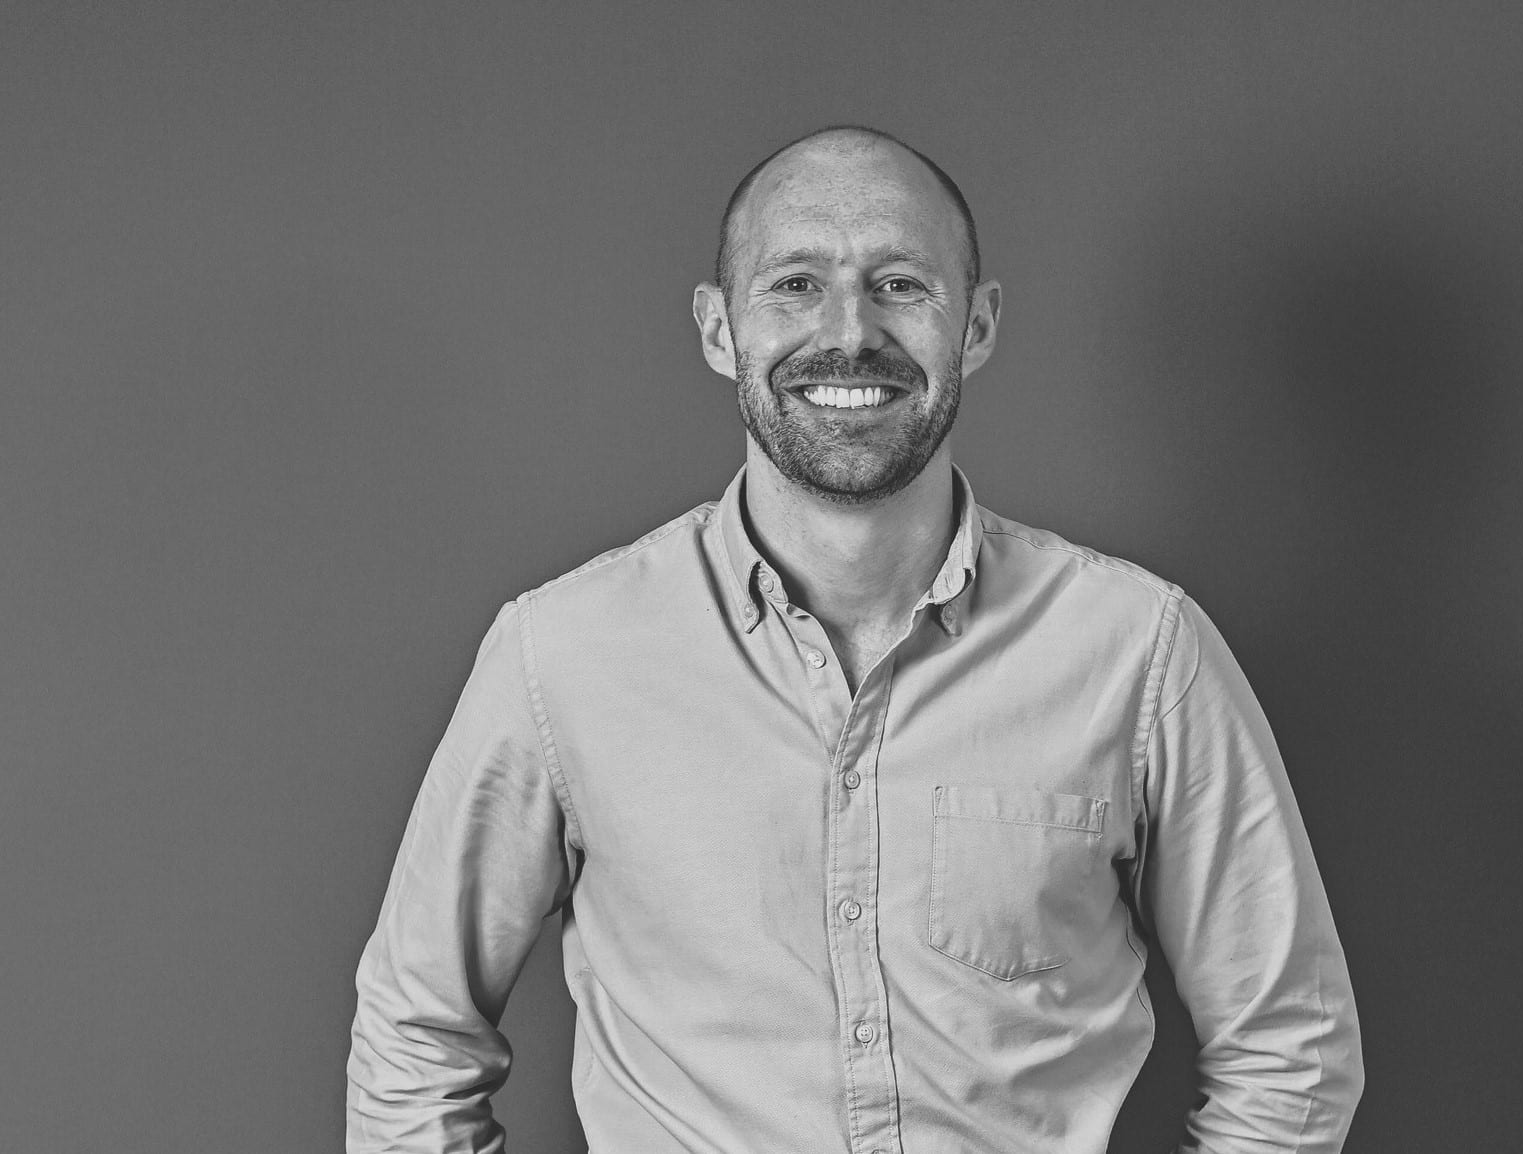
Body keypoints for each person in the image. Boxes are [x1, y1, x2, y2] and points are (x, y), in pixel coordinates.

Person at [346, 125, 1364, 1153]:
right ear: (718, 329)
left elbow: (1291, 1044)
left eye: (900, 285)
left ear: (976, 325)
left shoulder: (1138, 650)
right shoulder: (562, 654)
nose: (849, 333)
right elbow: (413, 1038)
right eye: (794, 284)